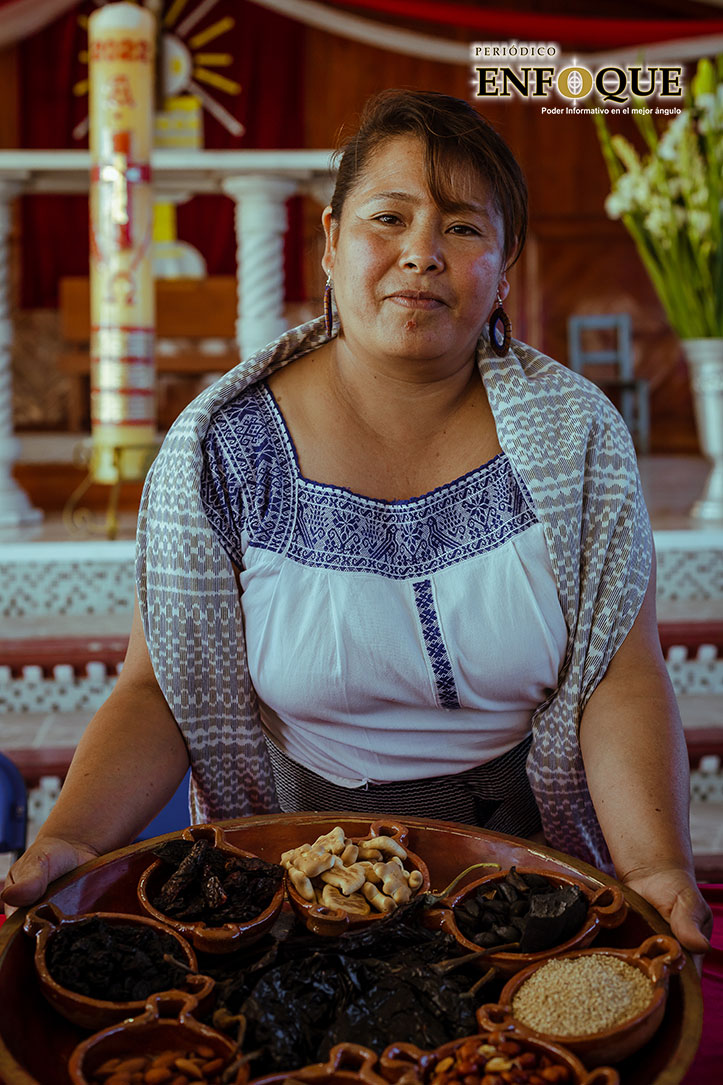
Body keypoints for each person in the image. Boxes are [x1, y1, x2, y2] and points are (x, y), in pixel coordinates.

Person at [2, 89, 712, 957]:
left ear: (505, 265)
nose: (421, 253)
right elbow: (159, 689)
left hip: (521, 875)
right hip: (291, 876)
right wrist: (71, 839)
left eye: (461, 228)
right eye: (390, 218)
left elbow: (620, 677)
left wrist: (650, 867)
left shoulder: (574, 436)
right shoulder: (224, 445)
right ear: (332, 242)